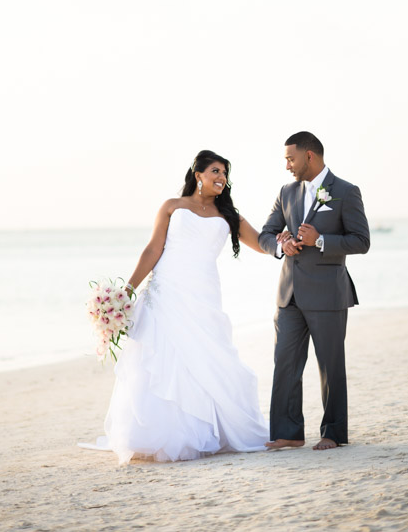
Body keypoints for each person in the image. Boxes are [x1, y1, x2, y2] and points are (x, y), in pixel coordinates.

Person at [79, 150, 269, 464]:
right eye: (215, 171)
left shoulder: (229, 215)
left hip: (203, 294)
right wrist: (127, 290)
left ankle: (208, 430)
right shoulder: (172, 206)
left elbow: (262, 243)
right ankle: (155, 435)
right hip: (166, 289)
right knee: (161, 356)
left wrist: (287, 242)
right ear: (198, 175)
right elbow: (154, 248)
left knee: (205, 355)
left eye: (225, 173)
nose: (221, 178)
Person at [258, 131, 370, 451]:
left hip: (327, 294)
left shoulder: (346, 192)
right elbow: (267, 233)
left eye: (290, 159)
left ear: (310, 156)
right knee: (285, 364)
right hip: (289, 294)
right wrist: (281, 245)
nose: (287, 166)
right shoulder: (286, 192)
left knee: (330, 366)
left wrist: (319, 240)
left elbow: (361, 241)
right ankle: (288, 432)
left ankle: (333, 433)